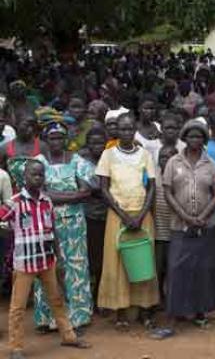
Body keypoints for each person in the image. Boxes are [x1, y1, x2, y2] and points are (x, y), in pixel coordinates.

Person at [1, 159, 90, 359]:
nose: (38, 178)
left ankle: (69, 336)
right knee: (18, 307)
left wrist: (58, 257)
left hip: (46, 260)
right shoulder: (14, 202)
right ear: (24, 177)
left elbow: (53, 231)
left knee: (57, 300)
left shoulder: (47, 201)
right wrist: (9, 234)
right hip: (24, 263)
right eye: (34, 174)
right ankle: (16, 347)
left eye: (41, 174)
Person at [157, 119, 215, 337]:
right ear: (184, 138)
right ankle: (173, 318)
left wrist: (203, 216)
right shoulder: (173, 162)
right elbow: (168, 192)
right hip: (179, 225)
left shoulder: (211, 164)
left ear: (204, 140)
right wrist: (186, 216)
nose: (194, 140)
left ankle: (199, 312)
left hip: (206, 225)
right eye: (191, 136)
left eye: (199, 136)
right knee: (177, 269)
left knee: (202, 269)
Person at [96, 113, 159, 330]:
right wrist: (124, 215)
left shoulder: (145, 154)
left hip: (141, 216)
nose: (126, 133)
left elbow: (152, 186)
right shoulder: (108, 154)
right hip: (117, 216)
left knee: (143, 262)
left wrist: (141, 215)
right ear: (116, 131)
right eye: (122, 129)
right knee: (117, 263)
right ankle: (120, 312)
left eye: (130, 129)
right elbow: (103, 188)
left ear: (135, 130)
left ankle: (144, 310)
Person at [32, 122, 94, 331]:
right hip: (46, 224)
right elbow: (38, 193)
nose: (57, 141)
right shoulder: (38, 163)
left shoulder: (77, 161)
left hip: (74, 225)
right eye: (52, 138)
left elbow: (86, 192)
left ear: (66, 139)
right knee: (48, 267)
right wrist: (71, 196)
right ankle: (48, 318)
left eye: (60, 137)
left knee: (75, 267)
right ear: (46, 140)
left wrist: (53, 195)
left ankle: (78, 317)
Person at [79, 124, 108, 306]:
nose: (97, 146)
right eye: (93, 143)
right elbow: (86, 188)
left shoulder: (110, 158)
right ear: (87, 144)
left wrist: (98, 190)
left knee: (103, 260)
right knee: (89, 259)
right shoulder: (81, 160)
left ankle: (99, 297)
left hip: (108, 215)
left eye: (101, 142)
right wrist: (101, 190)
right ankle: (86, 299)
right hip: (87, 216)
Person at [153, 144, 177, 305]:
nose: (166, 160)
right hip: (157, 230)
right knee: (158, 267)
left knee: (173, 267)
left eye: (169, 157)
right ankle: (159, 296)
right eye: (162, 157)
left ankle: (173, 298)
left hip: (175, 229)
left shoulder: (179, 176)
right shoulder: (153, 176)